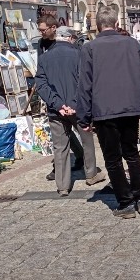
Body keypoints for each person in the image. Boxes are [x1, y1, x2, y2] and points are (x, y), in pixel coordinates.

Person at [76, 6, 140, 218]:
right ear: (116, 23)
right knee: (131, 152)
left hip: (104, 111)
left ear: (97, 25)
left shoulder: (90, 48)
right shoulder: (131, 43)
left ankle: (126, 202)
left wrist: (83, 117)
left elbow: (84, 84)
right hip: (130, 108)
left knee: (112, 159)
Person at [35, 26, 106, 197]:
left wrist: (59, 104)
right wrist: (73, 103)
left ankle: (63, 186)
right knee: (87, 141)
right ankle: (91, 174)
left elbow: (41, 85)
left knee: (60, 147)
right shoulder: (79, 54)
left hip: (55, 110)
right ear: (70, 38)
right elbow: (85, 82)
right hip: (79, 108)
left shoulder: (44, 58)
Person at [36, 16, 83, 181]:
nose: (41, 32)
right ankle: (61, 167)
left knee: (73, 131)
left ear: (53, 28)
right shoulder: (42, 44)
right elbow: (41, 71)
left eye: (43, 29)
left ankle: (83, 160)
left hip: (71, 97)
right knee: (61, 133)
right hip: (53, 94)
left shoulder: (68, 44)